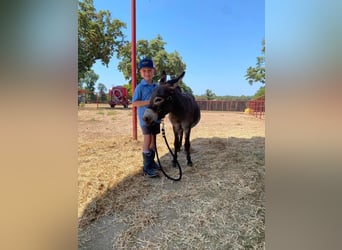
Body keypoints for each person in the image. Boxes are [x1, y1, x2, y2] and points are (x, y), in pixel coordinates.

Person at [132, 58, 160, 178]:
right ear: (140, 73)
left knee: (153, 141)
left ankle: (152, 162)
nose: (147, 73)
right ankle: (146, 167)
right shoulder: (140, 87)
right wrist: (148, 102)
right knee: (147, 140)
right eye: (144, 71)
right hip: (146, 119)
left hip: (155, 118)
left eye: (150, 70)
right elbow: (134, 103)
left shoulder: (156, 86)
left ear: (154, 71)